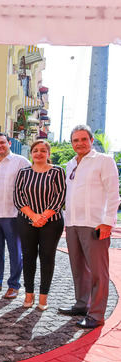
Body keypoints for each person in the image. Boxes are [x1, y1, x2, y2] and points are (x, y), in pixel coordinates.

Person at [60, 125, 120, 328]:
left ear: (91, 140)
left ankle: (96, 314)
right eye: (75, 140)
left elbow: (113, 194)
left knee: (97, 272)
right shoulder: (70, 164)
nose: (79, 143)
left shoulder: (104, 161)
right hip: (73, 223)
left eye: (83, 139)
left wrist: (107, 222)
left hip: (94, 224)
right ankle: (81, 304)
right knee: (78, 269)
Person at [13, 139, 66, 311]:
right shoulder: (23, 172)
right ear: (31, 153)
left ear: (48, 154)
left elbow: (60, 196)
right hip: (27, 220)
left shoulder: (57, 171)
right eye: (36, 150)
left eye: (43, 150)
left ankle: (44, 296)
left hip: (52, 222)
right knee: (28, 257)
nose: (39, 153)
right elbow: (18, 197)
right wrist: (34, 216)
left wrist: (43, 217)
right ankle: (29, 294)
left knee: (47, 257)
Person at [0, 132, 30, 298]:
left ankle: (14, 285)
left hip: (13, 215)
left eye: (2, 142)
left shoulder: (21, 162)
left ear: (9, 143)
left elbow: (29, 187)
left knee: (15, 252)